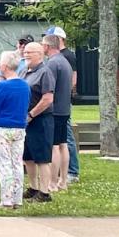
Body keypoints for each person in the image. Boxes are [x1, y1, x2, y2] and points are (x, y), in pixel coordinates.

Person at [0, 51, 30, 209]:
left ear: (4, 66)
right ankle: (17, 198)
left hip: (3, 128)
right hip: (19, 127)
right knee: (17, 163)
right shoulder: (25, 86)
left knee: (4, 163)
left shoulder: (1, 86)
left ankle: (6, 199)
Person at [45, 26, 80, 183]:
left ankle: (67, 173)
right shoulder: (62, 60)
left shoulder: (64, 58)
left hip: (58, 106)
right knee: (63, 142)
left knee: (60, 142)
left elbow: (70, 81)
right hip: (63, 105)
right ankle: (64, 177)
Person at [21, 42, 55, 203]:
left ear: (40, 54)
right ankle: (33, 187)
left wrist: (32, 114)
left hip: (40, 119)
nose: (26, 54)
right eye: (25, 51)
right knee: (28, 156)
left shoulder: (44, 72)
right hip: (26, 120)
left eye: (30, 52)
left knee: (42, 157)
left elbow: (48, 99)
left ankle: (44, 192)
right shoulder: (24, 71)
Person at [42, 34, 73, 193]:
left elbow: (49, 88)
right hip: (65, 109)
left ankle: (53, 183)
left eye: (43, 45)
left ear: (48, 46)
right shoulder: (64, 61)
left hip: (54, 110)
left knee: (54, 146)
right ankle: (63, 181)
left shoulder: (52, 64)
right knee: (63, 144)